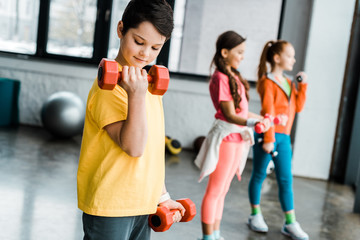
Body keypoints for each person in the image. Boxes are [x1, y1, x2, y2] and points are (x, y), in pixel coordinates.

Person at [77, 1, 185, 239]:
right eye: (139, 42)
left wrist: (162, 197)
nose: (145, 53)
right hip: (111, 206)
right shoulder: (110, 90)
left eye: (156, 48)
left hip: (142, 203)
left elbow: (152, 150)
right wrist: (136, 95)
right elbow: (134, 147)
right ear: (120, 29)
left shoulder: (146, 86)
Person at [194, 31, 270, 240]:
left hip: (237, 138)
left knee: (224, 189)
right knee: (215, 189)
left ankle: (216, 234)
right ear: (225, 52)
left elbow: (242, 113)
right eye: (240, 52)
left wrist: (262, 118)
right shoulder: (220, 77)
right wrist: (253, 122)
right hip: (226, 138)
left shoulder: (234, 75)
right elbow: (229, 114)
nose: (243, 56)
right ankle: (208, 236)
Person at [247, 40, 309, 240]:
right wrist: (268, 138)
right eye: (290, 56)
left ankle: (290, 222)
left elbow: (298, 107)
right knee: (258, 175)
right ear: (277, 58)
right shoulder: (267, 81)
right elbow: (268, 112)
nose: (294, 59)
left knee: (285, 179)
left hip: (284, 138)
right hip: (268, 135)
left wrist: (303, 85)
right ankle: (255, 215)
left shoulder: (290, 82)